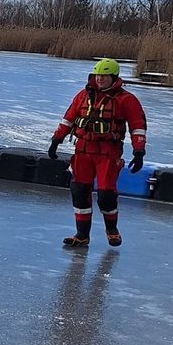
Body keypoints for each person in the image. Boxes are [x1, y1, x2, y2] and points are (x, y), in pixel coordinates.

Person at [48, 57, 147, 248]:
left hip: (107, 153)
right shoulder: (82, 96)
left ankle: (112, 230)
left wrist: (139, 152)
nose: (100, 79)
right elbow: (68, 120)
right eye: (98, 75)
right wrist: (56, 140)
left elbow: (138, 127)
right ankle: (82, 235)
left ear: (114, 77)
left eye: (105, 76)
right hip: (83, 151)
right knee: (79, 191)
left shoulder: (127, 100)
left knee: (106, 196)